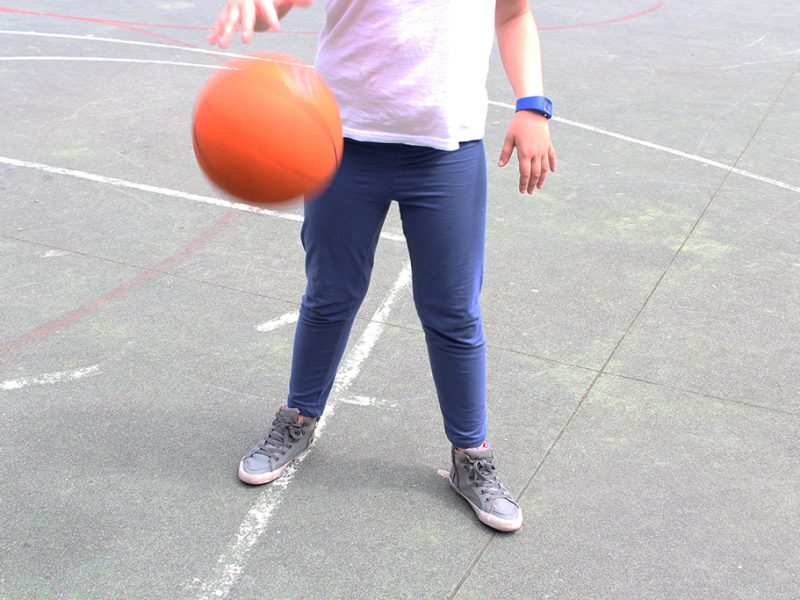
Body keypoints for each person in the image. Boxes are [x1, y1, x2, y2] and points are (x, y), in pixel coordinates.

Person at [209, 0, 556, 533]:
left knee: (453, 311)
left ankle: (472, 455)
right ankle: (298, 418)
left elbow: (512, 16)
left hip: (447, 150)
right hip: (340, 142)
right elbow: (269, 9)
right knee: (329, 293)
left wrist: (532, 105)